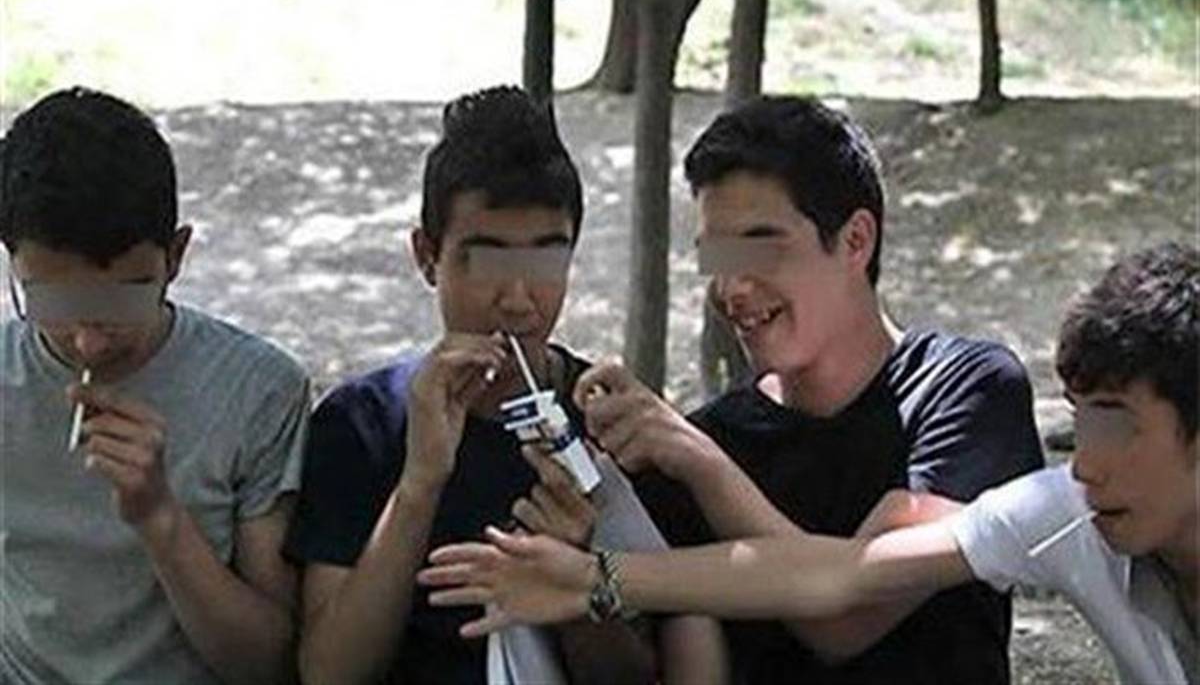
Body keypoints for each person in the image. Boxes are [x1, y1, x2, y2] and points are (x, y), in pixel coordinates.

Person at [428, 95, 1044, 683]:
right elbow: (687, 655)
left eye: (760, 249)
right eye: (716, 258)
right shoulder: (705, 441)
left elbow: (852, 610)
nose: (732, 289)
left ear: (856, 240)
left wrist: (700, 474)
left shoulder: (965, 390)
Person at [419, 241, 1198, 685]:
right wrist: (596, 581)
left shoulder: (962, 382)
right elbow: (842, 575)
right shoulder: (1065, 514)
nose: (1086, 464)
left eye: (1118, 425)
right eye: (1081, 420)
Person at [283, 86, 724, 685]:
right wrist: (419, 483)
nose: (518, 300)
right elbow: (330, 672)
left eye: (545, 262)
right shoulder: (361, 423)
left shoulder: (615, 426)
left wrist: (575, 580)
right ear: (427, 256)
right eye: (486, 260)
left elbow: (636, 674)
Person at [0, 87, 311, 684]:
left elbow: (268, 664)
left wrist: (159, 516)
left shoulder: (259, 391)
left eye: (124, 297)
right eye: (53, 301)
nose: (89, 342)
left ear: (177, 255)